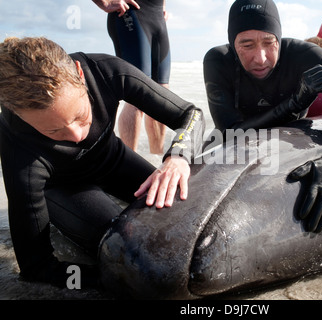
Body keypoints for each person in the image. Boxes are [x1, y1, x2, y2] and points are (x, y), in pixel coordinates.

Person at [0, 37, 204, 288]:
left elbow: (190, 113)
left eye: (80, 115)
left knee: (188, 213)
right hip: (64, 188)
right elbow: (36, 266)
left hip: (114, 160)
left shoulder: (105, 71)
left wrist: (177, 157)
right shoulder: (17, 147)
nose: (76, 136)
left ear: (79, 72)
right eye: (54, 131)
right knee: (134, 252)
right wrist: (112, 279)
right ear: (17, 113)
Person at [203, 0, 322, 234]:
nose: (261, 58)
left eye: (269, 43)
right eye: (247, 45)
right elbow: (230, 132)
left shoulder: (305, 56)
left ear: (279, 38)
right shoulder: (218, 60)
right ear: (232, 43)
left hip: (289, 145)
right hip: (236, 146)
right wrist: (294, 103)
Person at [93, 0, 171, 154]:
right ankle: (129, 164)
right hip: (130, 13)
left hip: (157, 16)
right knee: (137, 95)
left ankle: (155, 159)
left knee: (161, 94)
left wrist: (162, 7)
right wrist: (105, 3)